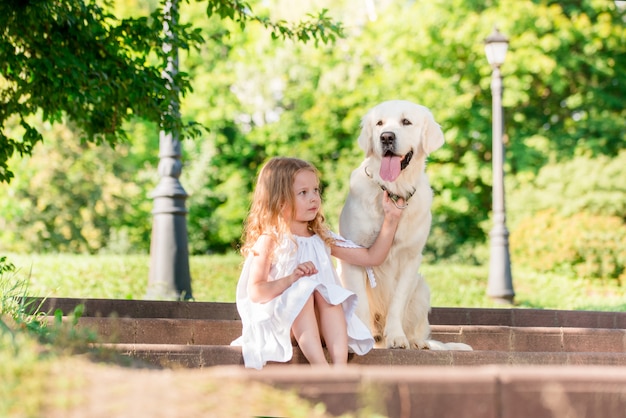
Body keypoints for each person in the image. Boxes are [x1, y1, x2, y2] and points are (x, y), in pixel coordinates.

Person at [231, 157, 405, 369]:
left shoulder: (321, 238)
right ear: (280, 200)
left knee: (328, 293)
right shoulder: (270, 240)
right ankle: (320, 367)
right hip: (282, 324)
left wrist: (391, 219)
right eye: (303, 193)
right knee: (304, 289)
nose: (314, 198)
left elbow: (371, 257)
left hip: (321, 326)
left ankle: (340, 367)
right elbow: (257, 292)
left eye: (315, 190)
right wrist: (291, 279)